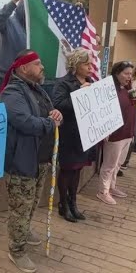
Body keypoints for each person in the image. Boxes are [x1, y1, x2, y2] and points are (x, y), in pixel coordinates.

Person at [0, 49, 63, 273]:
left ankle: (24, 231)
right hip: (21, 164)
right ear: (24, 68)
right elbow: (26, 123)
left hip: (40, 161)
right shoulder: (12, 92)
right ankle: (16, 250)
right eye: (37, 64)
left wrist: (56, 115)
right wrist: (50, 123)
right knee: (20, 208)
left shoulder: (36, 90)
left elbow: (50, 113)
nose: (42, 67)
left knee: (31, 204)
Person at [52, 48, 97, 222]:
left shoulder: (90, 81)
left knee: (78, 169)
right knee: (67, 170)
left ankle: (73, 202)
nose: (89, 67)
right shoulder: (63, 83)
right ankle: (63, 204)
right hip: (69, 134)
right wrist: (80, 93)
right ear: (75, 65)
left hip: (84, 134)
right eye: (86, 64)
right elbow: (58, 104)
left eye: (90, 64)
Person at [97, 61, 136, 205]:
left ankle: (112, 186)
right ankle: (103, 191)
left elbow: (132, 108)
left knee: (118, 163)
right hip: (115, 133)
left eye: (130, 74)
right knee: (109, 164)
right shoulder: (108, 89)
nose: (129, 77)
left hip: (128, 131)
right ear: (116, 73)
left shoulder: (129, 88)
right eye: (126, 73)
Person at [0, 0, 27, 95]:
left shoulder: (35, 29)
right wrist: (15, 0)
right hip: (7, 79)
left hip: (27, 80)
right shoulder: (9, 22)